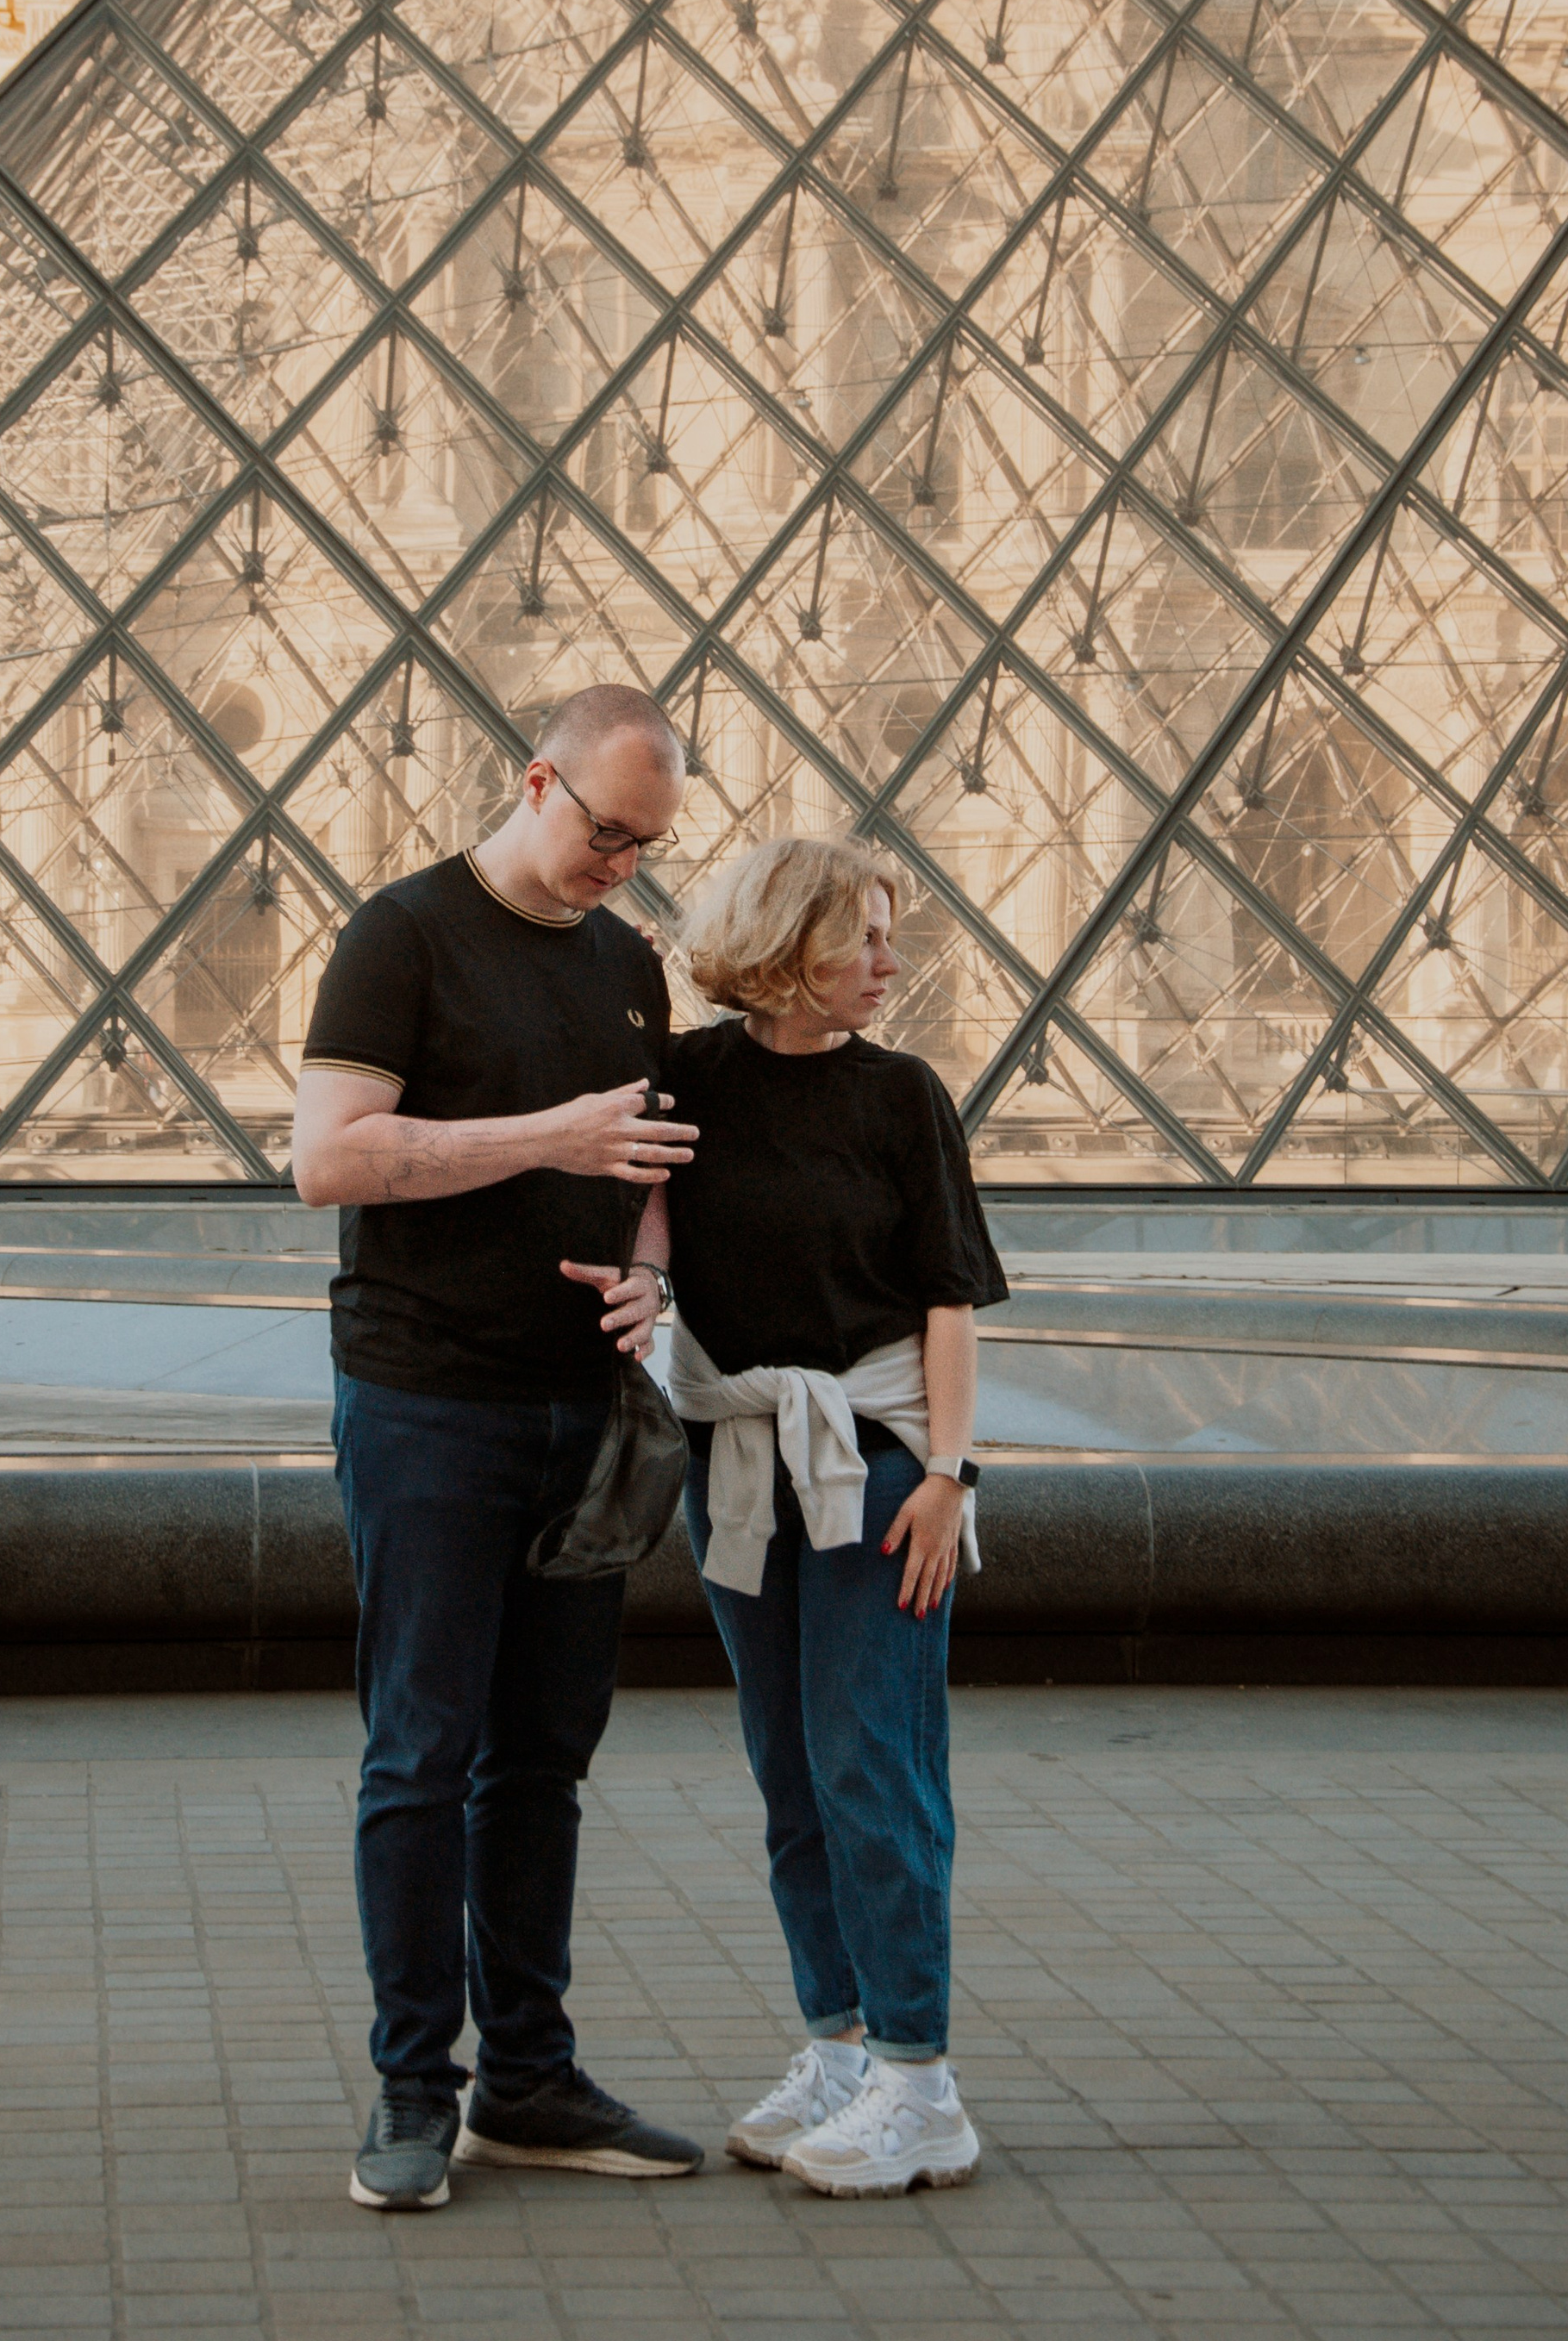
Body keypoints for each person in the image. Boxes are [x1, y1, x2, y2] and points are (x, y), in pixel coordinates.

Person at [291, 684, 706, 2214]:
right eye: (610, 833)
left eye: (649, 846)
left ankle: (528, 2080)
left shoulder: (631, 964)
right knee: (422, 1752)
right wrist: (549, 1136)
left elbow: (649, 1160)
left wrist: (652, 1268)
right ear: (538, 781)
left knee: (544, 1761)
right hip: (429, 1402)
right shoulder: (401, 934)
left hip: (578, 1412)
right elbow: (326, 1158)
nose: (626, 865)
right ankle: (416, 2087)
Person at [619, 837, 1005, 2198]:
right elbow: (649, 1216)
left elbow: (948, 1298)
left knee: (872, 1769)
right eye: (870, 940)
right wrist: (644, 1291)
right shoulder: (691, 1080)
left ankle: (921, 2082)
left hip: (881, 1473)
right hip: (740, 1466)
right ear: (789, 942)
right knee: (792, 1777)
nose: (893, 965)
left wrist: (954, 1476)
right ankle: (838, 2051)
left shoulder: (904, 1096)